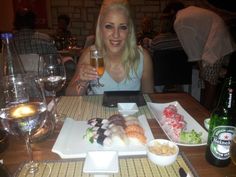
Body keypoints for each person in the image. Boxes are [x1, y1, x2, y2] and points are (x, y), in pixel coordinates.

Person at [66, 0, 154, 95]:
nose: (116, 35)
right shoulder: (90, 55)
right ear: (100, 29)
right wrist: (82, 82)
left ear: (129, 31)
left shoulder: (143, 57)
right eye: (109, 26)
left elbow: (149, 98)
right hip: (97, 110)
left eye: (123, 27)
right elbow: (69, 96)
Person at [165, 2, 235, 110]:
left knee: (209, 77)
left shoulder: (180, 21)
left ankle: (206, 111)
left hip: (216, 40)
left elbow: (192, 49)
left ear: (172, 13)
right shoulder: (188, 13)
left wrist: (201, 67)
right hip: (220, 35)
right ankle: (206, 106)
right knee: (209, 75)